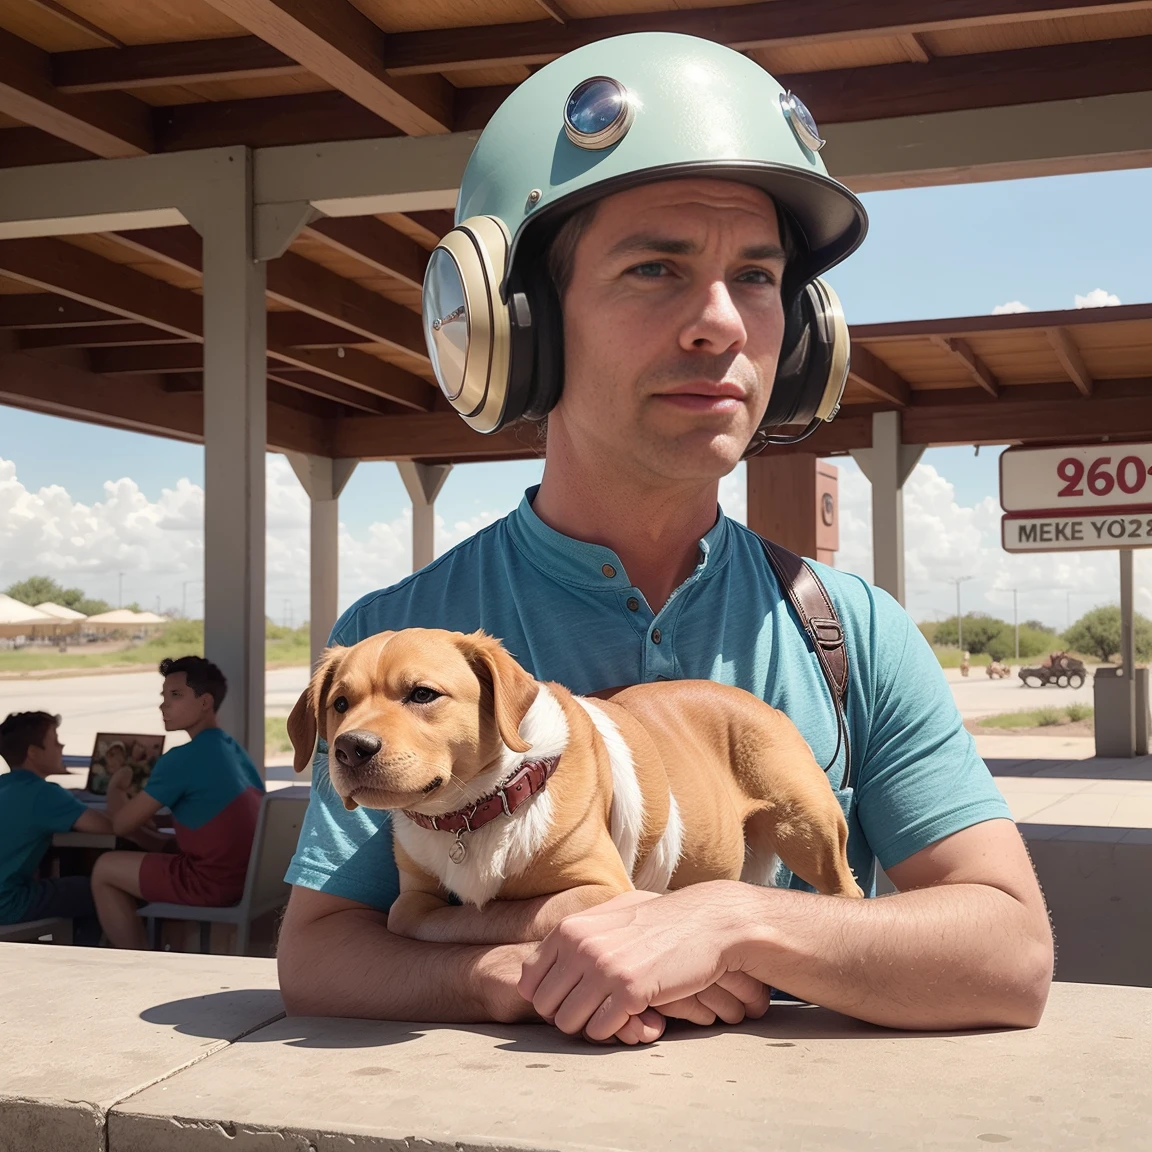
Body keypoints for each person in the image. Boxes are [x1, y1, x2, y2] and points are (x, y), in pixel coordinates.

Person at [278, 33, 1053, 1040]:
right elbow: (319, 951)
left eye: (760, 278)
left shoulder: (854, 635)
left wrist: (731, 920)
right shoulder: (399, 635)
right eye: (655, 268)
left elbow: (1010, 956)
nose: (722, 324)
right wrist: (518, 975)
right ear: (515, 326)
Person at [91, 656, 264, 949]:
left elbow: (120, 824)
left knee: (104, 868)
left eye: (175, 695)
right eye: (163, 696)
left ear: (205, 701)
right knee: (162, 844)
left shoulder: (182, 758)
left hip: (212, 883)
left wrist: (116, 787)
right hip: (248, 879)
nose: (163, 705)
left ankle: (136, 963)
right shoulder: (232, 749)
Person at [0, 711, 111, 945]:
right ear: (33, 752)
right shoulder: (44, 793)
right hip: (8, 903)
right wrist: (119, 791)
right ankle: (88, 959)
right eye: (55, 741)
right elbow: (107, 827)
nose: (62, 747)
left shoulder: (6, 786)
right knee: (101, 889)